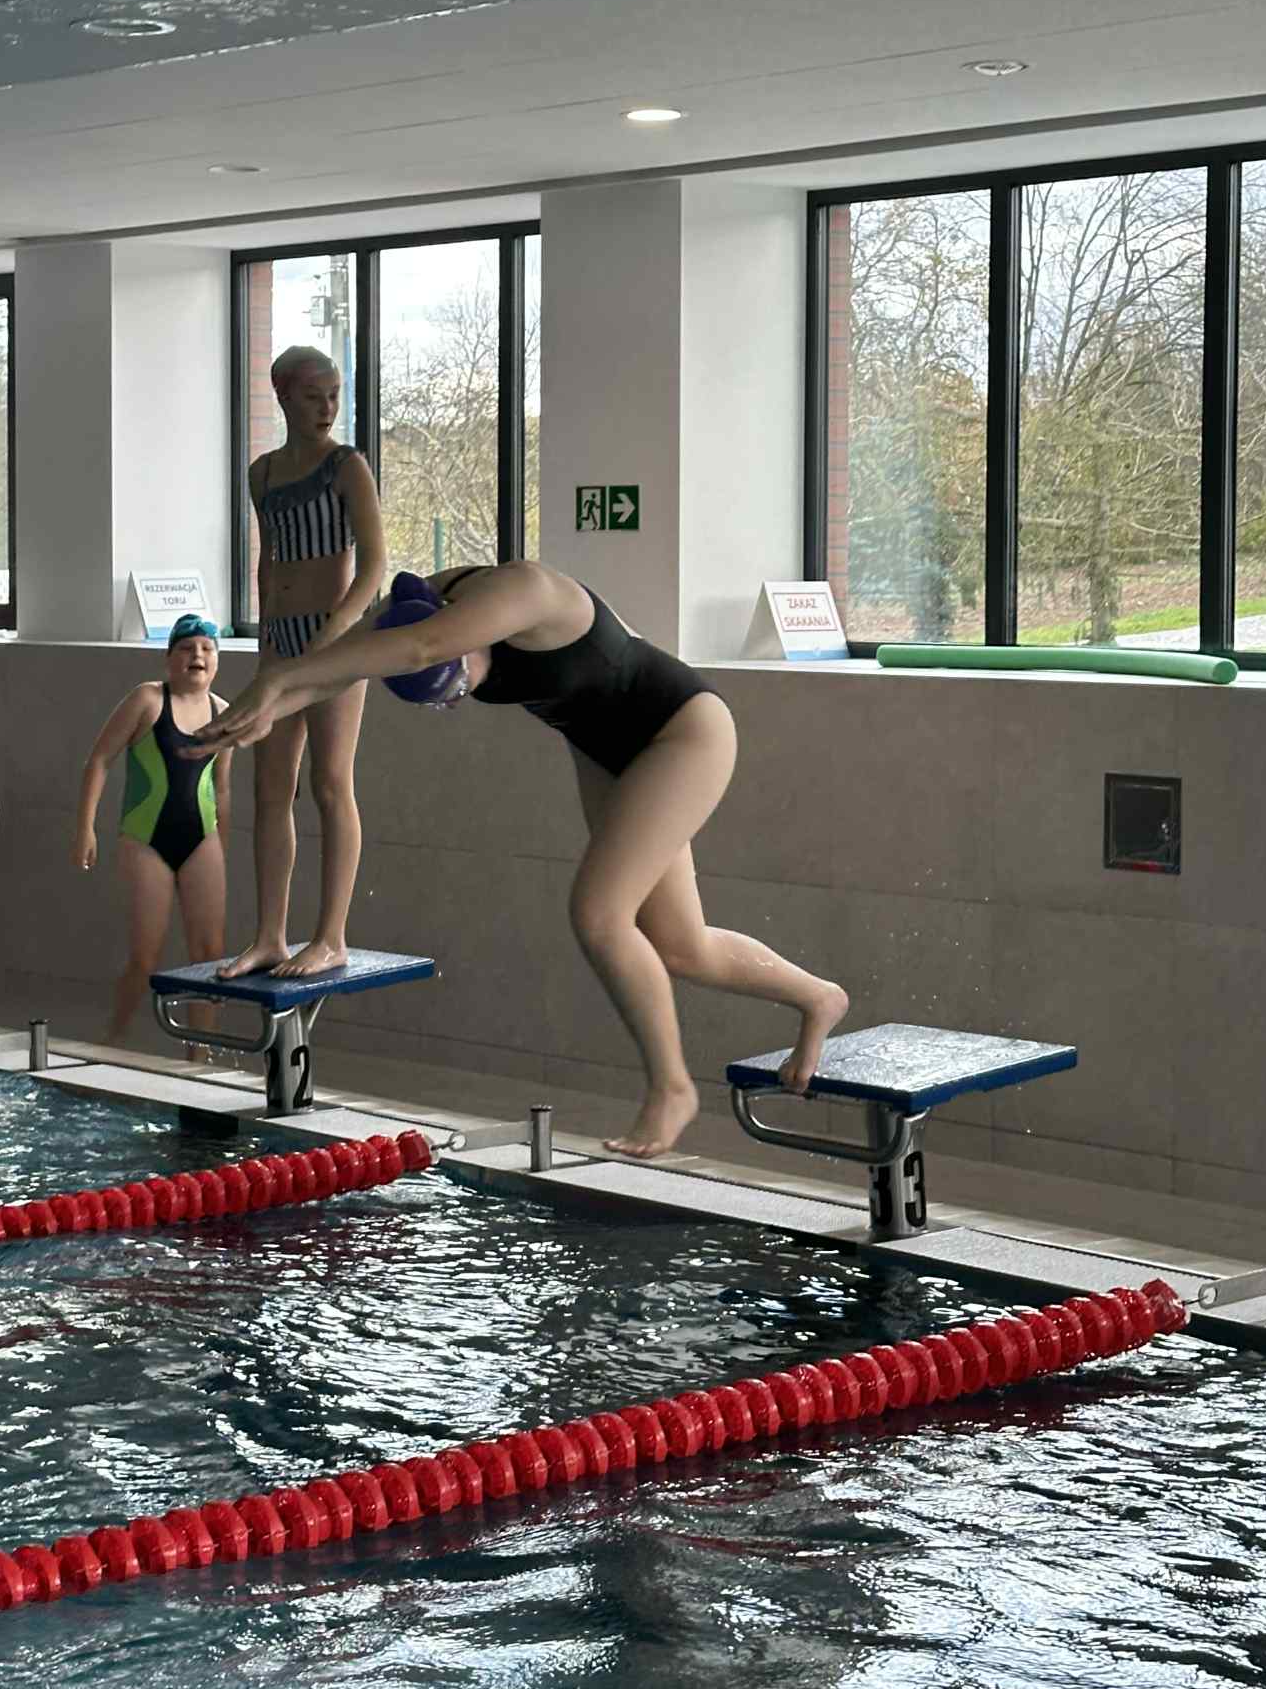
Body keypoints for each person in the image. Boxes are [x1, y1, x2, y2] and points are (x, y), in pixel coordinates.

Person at [190, 562, 848, 1159]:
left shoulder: (526, 590)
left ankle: (672, 1088)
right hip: (606, 752)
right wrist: (257, 713)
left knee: (600, 914)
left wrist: (279, 676)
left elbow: (421, 648)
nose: (460, 695)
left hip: (681, 732)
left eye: (458, 681)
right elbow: (340, 667)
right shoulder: (414, 612)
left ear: (461, 635)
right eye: (445, 699)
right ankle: (819, 997)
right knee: (681, 946)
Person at [231, 344, 384, 980]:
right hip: (282, 641)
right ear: (284, 397)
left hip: (334, 641)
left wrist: (334, 635)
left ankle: (331, 937)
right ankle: (269, 935)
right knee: (270, 786)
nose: (327, 408)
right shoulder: (263, 474)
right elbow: (269, 562)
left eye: (334, 395)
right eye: (314, 396)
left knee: (329, 783)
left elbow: (373, 565)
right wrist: (269, 646)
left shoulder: (347, 466)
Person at [73, 614, 235, 1044]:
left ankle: (201, 1056)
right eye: (186, 648)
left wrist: (222, 843)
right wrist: (86, 828)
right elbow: (99, 760)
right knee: (146, 957)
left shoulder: (223, 712)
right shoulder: (147, 700)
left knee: (210, 956)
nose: (197, 655)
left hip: (203, 841)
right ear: (169, 659)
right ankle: (115, 1039)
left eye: (207, 648)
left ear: (217, 660)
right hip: (146, 840)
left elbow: (221, 786)